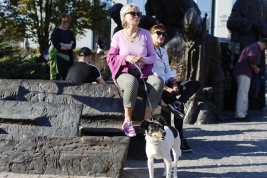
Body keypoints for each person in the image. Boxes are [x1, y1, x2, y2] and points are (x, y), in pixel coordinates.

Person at [107, 3, 164, 137]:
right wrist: (126, 58)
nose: (137, 16)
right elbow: (110, 57)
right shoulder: (118, 36)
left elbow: (152, 57)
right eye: (133, 14)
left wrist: (144, 60)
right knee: (131, 83)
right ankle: (127, 120)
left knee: (158, 81)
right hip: (124, 72)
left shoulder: (145, 34)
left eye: (139, 14)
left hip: (143, 73)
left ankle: (147, 120)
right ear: (124, 17)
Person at [165, 8, 224, 124]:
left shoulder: (211, 42)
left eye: (193, 31)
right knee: (175, 118)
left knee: (203, 119)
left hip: (201, 97)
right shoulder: (171, 46)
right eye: (188, 32)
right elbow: (165, 73)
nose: (191, 35)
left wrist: (219, 111)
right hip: (177, 93)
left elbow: (217, 75)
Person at [150, 24, 200, 152]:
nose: (161, 36)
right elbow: (150, 74)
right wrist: (167, 88)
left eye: (164, 34)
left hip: (166, 82)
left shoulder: (163, 51)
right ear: (150, 35)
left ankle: (178, 102)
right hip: (154, 85)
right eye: (158, 33)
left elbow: (167, 71)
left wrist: (174, 83)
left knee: (195, 84)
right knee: (177, 108)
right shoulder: (147, 51)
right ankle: (180, 140)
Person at [227, 0, 267, 110]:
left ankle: (255, 106)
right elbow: (231, 22)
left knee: (257, 83)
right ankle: (240, 111)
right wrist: (252, 24)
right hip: (244, 45)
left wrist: (264, 28)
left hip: (259, 52)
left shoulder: (265, 3)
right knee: (242, 89)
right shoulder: (242, 1)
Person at [232, 38, 267, 121]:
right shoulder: (255, 47)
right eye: (265, 47)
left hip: (242, 72)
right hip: (244, 72)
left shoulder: (252, 46)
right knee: (243, 93)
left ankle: (243, 113)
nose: (263, 50)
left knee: (243, 93)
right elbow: (251, 59)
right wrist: (256, 69)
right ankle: (240, 114)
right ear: (264, 44)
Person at [50, 13, 76, 80]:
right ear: (60, 21)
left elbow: (73, 45)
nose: (66, 24)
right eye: (64, 22)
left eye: (68, 22)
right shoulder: (56, 31)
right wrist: (68, 45)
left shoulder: (70, 33)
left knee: (67, 78)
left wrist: (62, 44)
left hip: (68, 59)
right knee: (57, 78)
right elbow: (56, 44)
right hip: (58, 58)